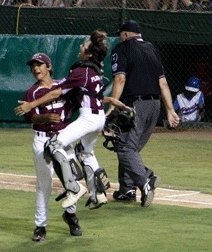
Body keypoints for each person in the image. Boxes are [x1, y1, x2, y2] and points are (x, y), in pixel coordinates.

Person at [15, 30, 131, 212]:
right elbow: (90, 95)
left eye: (84, 45)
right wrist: (109, 100)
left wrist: (31, 105)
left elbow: (56, 92)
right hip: (97, 116)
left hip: (88, 118)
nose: (80, 46)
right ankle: (97, 193)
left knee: (53, 146)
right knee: (84, 152)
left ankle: (74, 189)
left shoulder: (82, 70)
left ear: (90, 53)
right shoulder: (95, 70)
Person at [108, 20, 180, 206]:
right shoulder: (152, 49)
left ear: (125, 34)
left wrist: (112, 106)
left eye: (120, 34)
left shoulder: (122, 48)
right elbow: (162, 83)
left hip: (135, 104)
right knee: (131, 148)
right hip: (154, 105)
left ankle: (145, 178)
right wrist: (170, 110)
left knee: (124, 147)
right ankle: (127, 190)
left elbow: (120, 79)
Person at [21, 52, 85, 241]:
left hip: (63, 139)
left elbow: (77, 101)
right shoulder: (32, 93)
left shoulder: (62, 86)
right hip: (42, 140)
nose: (35, 68)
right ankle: (40, 226)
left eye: (39, 64)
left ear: (48, 67)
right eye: (33, 66)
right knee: (44, 184)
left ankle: (71, 216)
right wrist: (45, 118)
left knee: (71, 180)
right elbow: (30, 117)